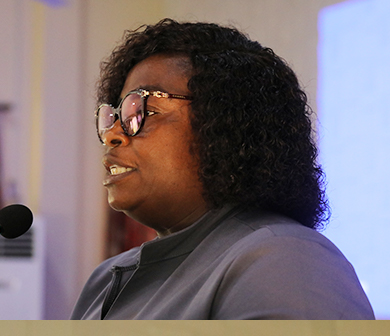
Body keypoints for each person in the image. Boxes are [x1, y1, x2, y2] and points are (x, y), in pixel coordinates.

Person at [71, 20, 374, 319]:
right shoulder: (103, 280)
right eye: (114, 115)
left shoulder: (285, 258)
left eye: (141, 110)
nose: (112, 134)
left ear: (226, 125)